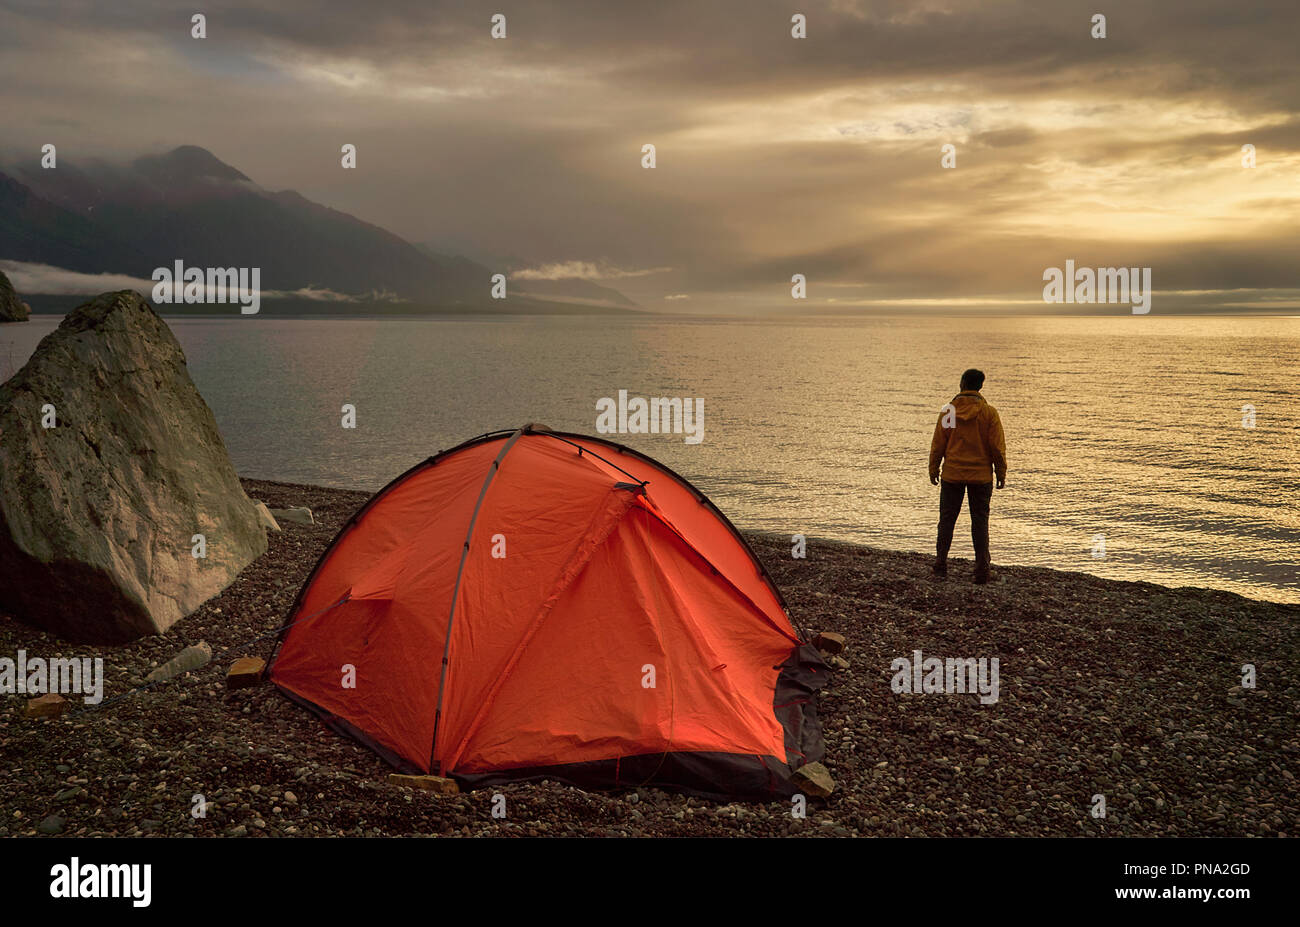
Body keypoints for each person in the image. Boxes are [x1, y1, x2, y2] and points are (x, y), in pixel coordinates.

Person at [928, 368, 1007, 583]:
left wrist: (933, 468)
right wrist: (1001, 471)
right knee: (979, 522)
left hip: (952, 474)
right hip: (981, 477)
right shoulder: (989, 413)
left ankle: (940, 563)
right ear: (980, 386)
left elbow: (939, 444)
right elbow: (997, 447)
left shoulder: (949, 412)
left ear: (962, 383)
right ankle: (982, 569)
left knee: (946, 520)